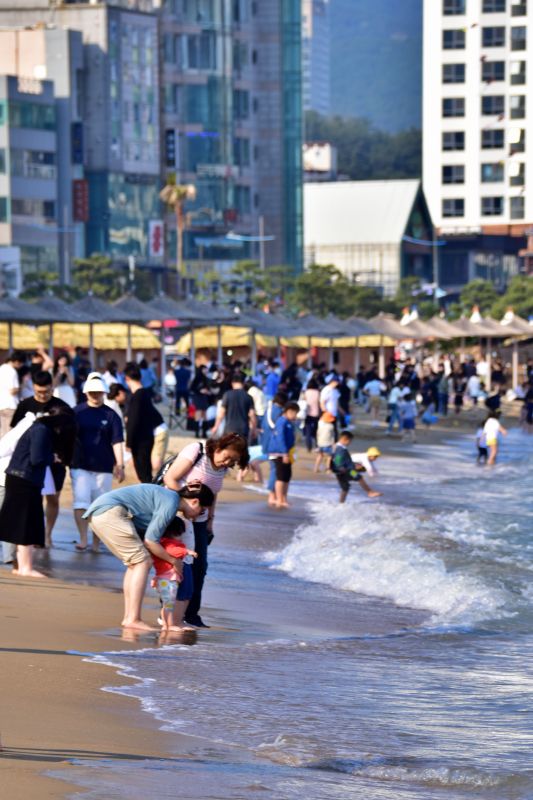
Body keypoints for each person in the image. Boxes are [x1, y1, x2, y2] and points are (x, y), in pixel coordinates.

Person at [84, 482, 214, 630]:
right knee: (142, 562)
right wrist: (173, 561)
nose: (199, 515)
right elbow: (151, 541)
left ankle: (129, 617)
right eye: (202, 510)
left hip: (102, 512)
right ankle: (133, 619)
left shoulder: (168, 497)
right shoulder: (171, 503)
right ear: (194, 501)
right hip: (110, 512)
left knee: (135, 563)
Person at [163, 433, 249, 627]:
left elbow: (213, 495)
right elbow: (171, 478)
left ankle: (191, 614)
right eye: (226, 457)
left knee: (199, 568)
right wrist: (186, 503)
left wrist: (210, 520)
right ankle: (168, 614)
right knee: (176, 564)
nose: (227, 462)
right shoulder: (197, 451)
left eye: (233, 461)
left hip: (200, 519)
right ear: (217, 448)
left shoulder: (222, 468)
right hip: (177, 514)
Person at [0, 407, 76, 577]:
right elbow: (37, 458)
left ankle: (21, 567)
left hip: (20, 478)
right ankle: (25, 568)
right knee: (26, 524)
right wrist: (52, 457)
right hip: (24, 480)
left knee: (25, 523)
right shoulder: (41, 431)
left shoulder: (37, 427)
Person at [10, 371, 72, 547]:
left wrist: (64, 457)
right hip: (31, 462)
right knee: (32, 498)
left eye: (46, 391)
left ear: (52, 387)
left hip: (55, 462)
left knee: (52, 498)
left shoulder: (62, 407)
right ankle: (31, 535)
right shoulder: (25, 405)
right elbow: (15, 431)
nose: (43, 396)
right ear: (34, 389)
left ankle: (47, 534)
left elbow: (70, 434)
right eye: (39, 392)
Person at [71, 372, 125, 551]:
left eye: (98, 392)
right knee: (80, 502)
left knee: (100, 505)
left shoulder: (111, 415)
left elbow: (117, 441)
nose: (95, 395)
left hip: (104, 466)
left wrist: (120, 464)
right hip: (80, 464)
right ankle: (83, 538)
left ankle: (96, 542)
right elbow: (66, 437)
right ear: (86, 393)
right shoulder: (77, 412)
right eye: (92, 392)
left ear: (104, 393)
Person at [150, 516, 197, 632]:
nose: (181, 537)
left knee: (168, 603)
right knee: (169, 603)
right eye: (180, 534)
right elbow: (172, 551)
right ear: (174, 533)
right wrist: (187, 551)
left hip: (166, 579)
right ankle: (170, 624)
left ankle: (168, 624)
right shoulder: (167, 543)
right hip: (167, 579)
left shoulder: (163, 542)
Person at [124, 361, 165, 483]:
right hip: (147, 437)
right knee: (145, 473)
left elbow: (133, 421)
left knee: (144, 474)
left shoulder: (137, 396)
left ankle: (150, 498)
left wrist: (129, 443)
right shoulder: (144, 393)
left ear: (126, 378)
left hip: (141, 440)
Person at [331, 431, 382, 503]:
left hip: (340, 471)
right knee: (359, 477)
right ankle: (369, 492)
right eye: (350, 441)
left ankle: (341, 503)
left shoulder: (336, 447)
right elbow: (338, 459)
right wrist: (340, 467)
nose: (349, 443)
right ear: (346, 439)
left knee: (345, 488)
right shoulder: (341, 449)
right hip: (347, 470)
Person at [266, 401, 299, 508]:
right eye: (295, 413)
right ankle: (279, 499)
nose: (296, 416)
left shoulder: (289, 422)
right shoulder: (282, 422)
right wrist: (284, 453)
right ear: (289, 411)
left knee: (286, 477)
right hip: (279, 453)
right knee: (280, 476)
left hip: (286, 453)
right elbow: (280, 438)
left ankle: (283, 498)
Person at [212, 372, 257, 440]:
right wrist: (254, 429)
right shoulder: (248, 397)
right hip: (243, 430)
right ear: (244, 383)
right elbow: (252, 415)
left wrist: (216, 427)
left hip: (229, 429)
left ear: (232, 383)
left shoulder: (227, 395)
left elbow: (221, 413)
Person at [0, 351, 25, 436]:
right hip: (10, 405)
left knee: (3, 431)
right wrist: (23, 385)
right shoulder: (12, 372)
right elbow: (13, 391)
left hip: (1, 405)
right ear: (17, 361)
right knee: (10, 434)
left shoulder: (1, 368)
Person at [190, 364, 212, 438]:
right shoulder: (197, 378)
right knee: (198, 414)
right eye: (204, 369)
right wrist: (200, 391)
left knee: (205, 415)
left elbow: (208, 388)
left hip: (204, 398)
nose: (206, 370)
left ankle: (204, 433)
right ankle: (196, 433)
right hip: (198, 398)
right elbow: (192, 388)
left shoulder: (206, 378)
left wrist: (208, 391)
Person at [303, 377, 321, 452]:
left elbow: (303, 402)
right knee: (317, 430)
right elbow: (320, 403)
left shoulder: (306, 392)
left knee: (308, 431)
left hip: (307, 413)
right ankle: (317, 445)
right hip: (316, 414)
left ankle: (308, 447)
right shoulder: (318, 392)